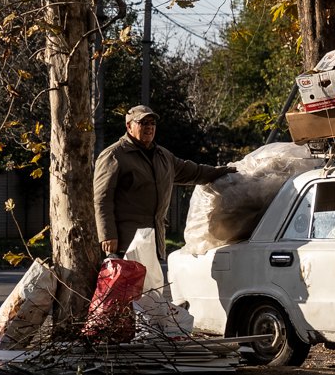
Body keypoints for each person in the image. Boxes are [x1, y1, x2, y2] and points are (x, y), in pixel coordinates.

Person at [93, 105, 236, 260]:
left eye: (152, 123)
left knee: (153, 285)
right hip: (125, 244)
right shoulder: (114, 155)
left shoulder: (163, 156)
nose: (149, 127)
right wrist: (108, 235)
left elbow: (196, 172)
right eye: (143, 123)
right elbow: (102, 199)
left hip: (154, 242)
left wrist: (231, 171)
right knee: (127, 284)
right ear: (129, 126)